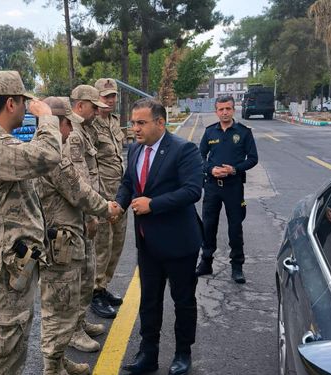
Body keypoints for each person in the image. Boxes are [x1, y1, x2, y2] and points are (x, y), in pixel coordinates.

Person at [0, 70, 62, 375]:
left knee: (11, 348)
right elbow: (48, 155)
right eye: (24, 102)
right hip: (4, 270)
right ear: (10, 103)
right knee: (4, 354)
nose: (28, 108)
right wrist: (48, 117)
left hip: (13, 264)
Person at [115, 98, 203, 375]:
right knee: (149, 301)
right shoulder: (134, 150)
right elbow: (128, 182)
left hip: (178, 243)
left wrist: (152, 204)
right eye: (133, 123)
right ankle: (148, 355)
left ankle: (182, 353)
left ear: (160, 123)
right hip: (147, 243)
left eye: (141, 123)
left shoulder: (183, 149)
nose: (135, 129)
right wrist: (119, 203)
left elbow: (192, 191)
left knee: (183, 301)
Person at [36, 96, 122, 375]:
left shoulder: (50, 151)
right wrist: (105, 208)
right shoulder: (50, 157)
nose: (70, 131)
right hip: (56, 242)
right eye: (65, 124)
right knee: (56, 310)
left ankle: (59, 360)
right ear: (54, 123)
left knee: (66, 303)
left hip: (67, 236)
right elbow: (78, 189)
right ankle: (52, 368)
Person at [67, 85, 112, 353]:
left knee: (88, 272)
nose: (97, 112)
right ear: (80, 105)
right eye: (94, 107)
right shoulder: (73, 135)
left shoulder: (84, 129)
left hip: (88, 212)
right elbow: (79, 180)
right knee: (78, 276)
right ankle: (72, 331)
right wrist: (91, 214)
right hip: (79, 216)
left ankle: (80, 322)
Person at [196, 95, 258, 284]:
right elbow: (199, 157)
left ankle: (237, 266)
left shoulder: (244, 132)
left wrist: (235, 169)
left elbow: (253, 158)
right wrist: (210, 169)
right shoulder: (209, 133)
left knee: (235, 228)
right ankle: (206, 262)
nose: (224, 112)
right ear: (216, 111)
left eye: (228, 109)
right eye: (221, 109)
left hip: (233, 186)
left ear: (234, 110)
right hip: (212, 187)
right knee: (208, 226)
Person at [91, 78, 128, 315]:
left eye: (113, 96)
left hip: (119, 192)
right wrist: (98, 200)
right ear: (96, 97)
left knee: (117, 243)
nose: (110, 100)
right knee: (101, 246)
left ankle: (104, 286)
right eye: (105, 96)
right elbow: (89, 164)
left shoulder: (115, 122)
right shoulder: (90, 125)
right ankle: (94, 292)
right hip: (102, 195)